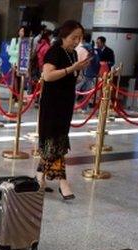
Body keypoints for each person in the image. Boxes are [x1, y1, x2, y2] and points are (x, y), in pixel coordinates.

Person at [37, 20, 91, 200]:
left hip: (65, 103)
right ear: (64, 35)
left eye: (79, 38)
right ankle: (63, 182)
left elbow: (71, 78)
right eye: (73, 37)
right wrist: (71, 69)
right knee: (54, 143)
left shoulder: (73, 54)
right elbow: (48, 75)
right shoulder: (54, 51)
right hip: (52, 103)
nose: (76, 41)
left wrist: (78, 70)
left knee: (56, 142)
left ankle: (39, 178)